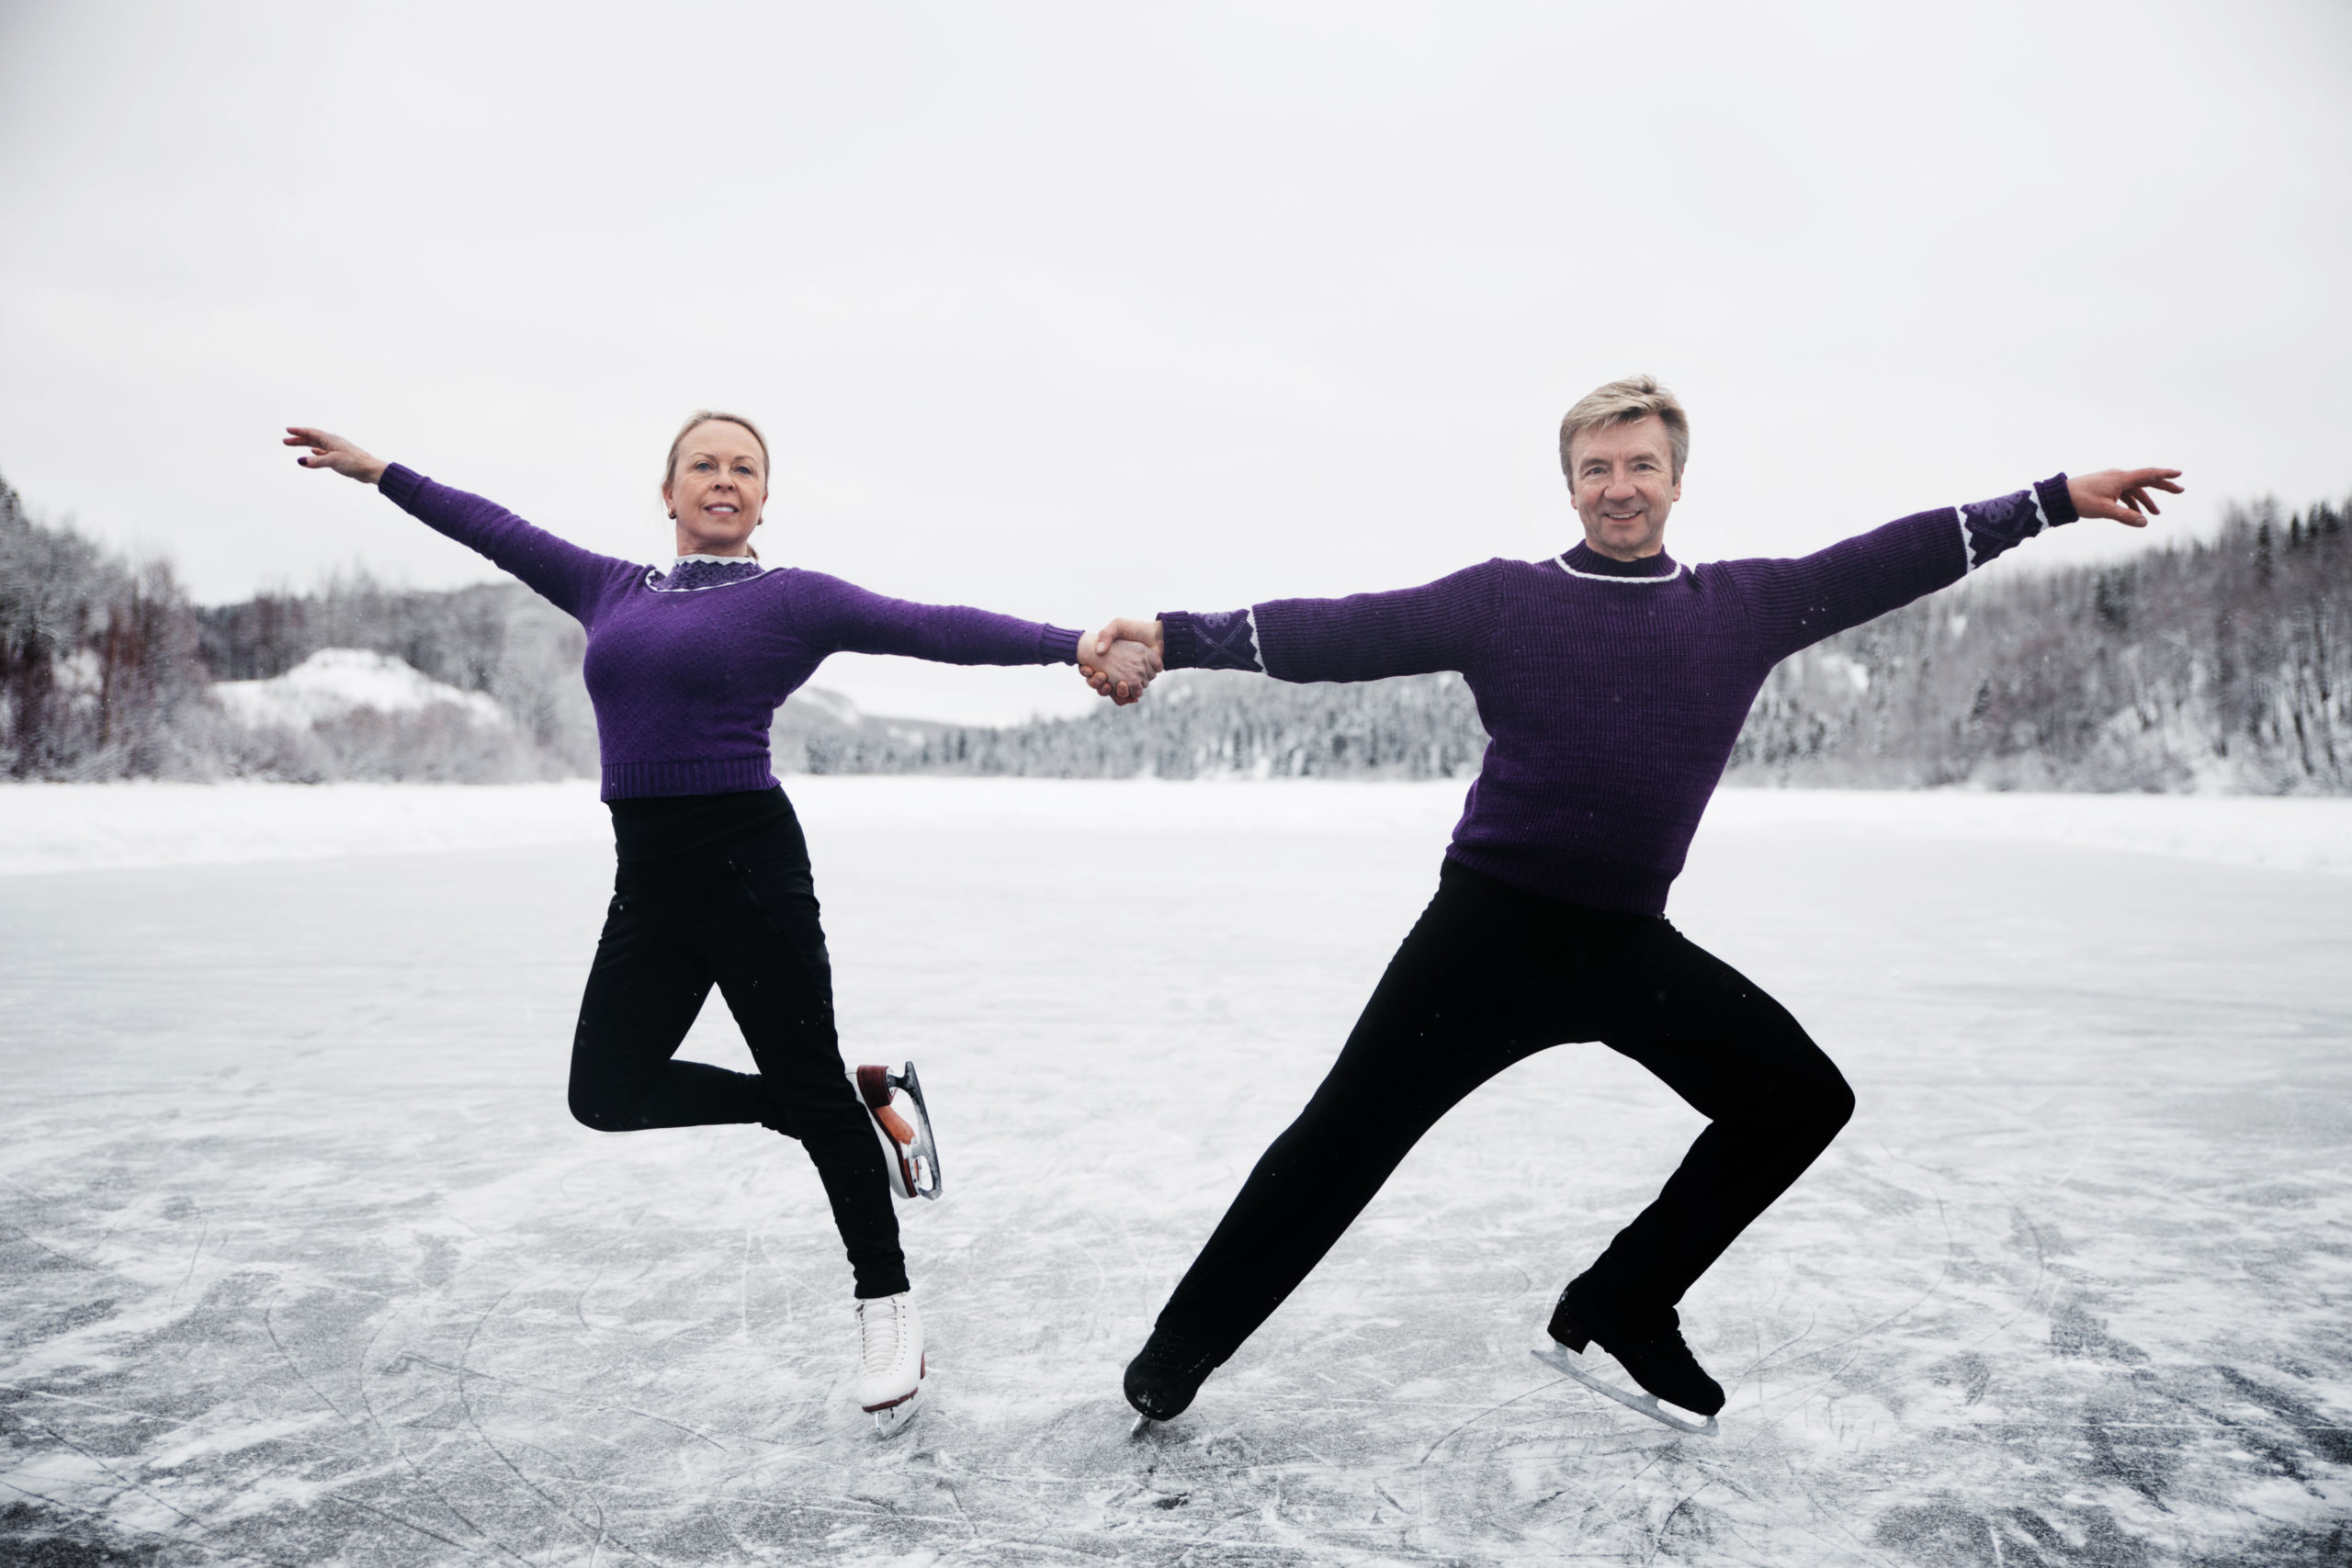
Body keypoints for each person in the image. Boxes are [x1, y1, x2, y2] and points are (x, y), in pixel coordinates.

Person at [1085, 376, 2181, 1428]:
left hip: (1622, 946)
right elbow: (1344, 631)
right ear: (1569, 485)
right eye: (1596, 467)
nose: (1619, 485)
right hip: (1484, 933)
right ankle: (1175, 1355)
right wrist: (1174, 638)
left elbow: (1883, 560)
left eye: (1640, 465)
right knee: (1341, 1142)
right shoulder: (1506, 600)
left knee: (1797, 1101)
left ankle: (1622, 1301)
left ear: (1676, 479)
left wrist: (2046, 503)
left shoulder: (1742, 607)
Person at [285, 413, 1153, 1434]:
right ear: (669, 493)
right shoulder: (607, 586)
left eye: (745, 468)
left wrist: (1069, 647)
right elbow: (493, 528)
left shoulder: (792, 601)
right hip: (646, 878)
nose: (724, 479)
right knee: (607, 1093)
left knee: (807, 1087)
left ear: (764, 499)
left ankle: (887, 1306)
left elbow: (930, 626)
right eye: (704, 464)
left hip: (748, 867)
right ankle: (834, 1104)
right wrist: (382, 472)